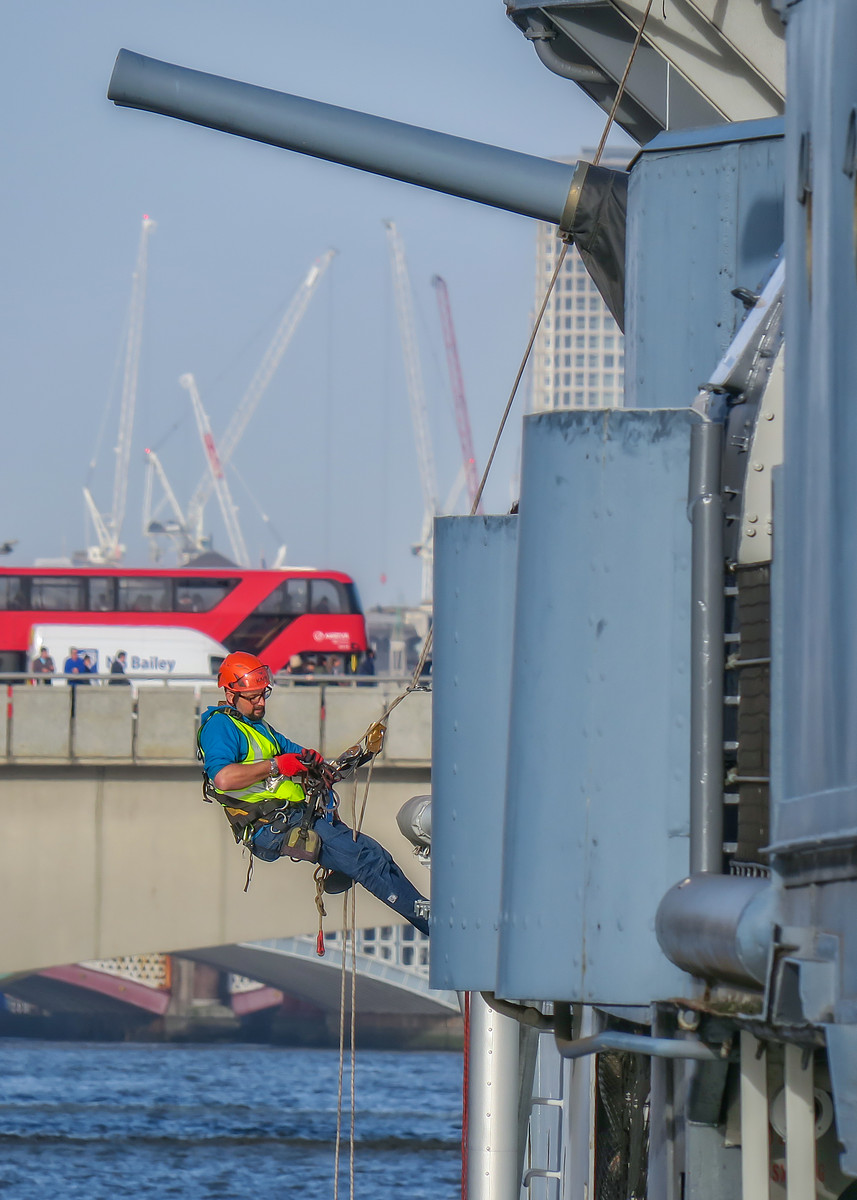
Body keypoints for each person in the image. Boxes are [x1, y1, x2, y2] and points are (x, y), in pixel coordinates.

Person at [197, 652, 429, 934]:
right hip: (269, 825)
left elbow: (293, 751)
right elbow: (223, 778)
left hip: (293, 816)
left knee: (374, 853)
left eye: (263, 694)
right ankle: (427, 919)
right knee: (363, 860)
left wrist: (314, 763)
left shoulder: (257, 727)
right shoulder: (220, 727)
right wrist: (275, 765)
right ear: (230, 693)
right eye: (253, 697)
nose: (261, 702)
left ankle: (422, 908)